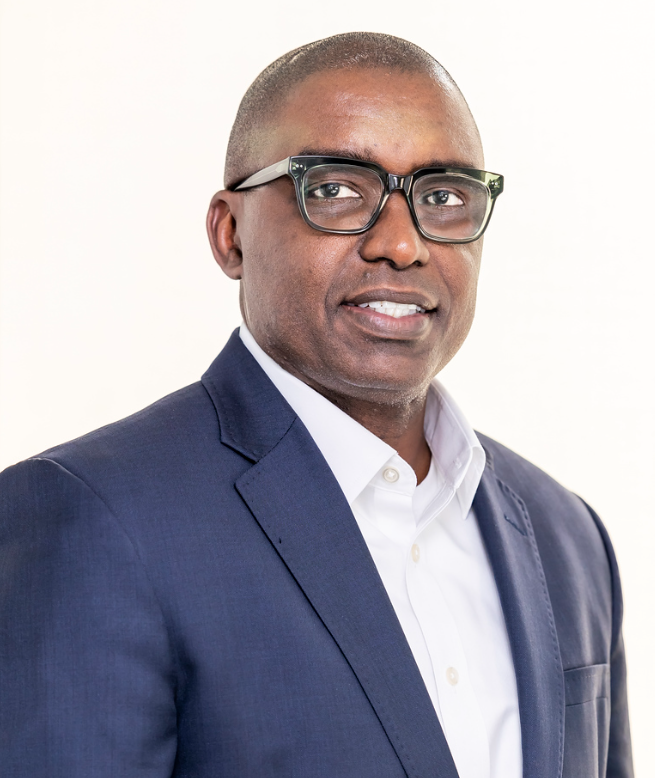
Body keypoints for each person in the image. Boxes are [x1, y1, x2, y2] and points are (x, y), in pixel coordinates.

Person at [0, 32, 632, 778]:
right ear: (230, 234)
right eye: (335, 188)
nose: (401, 244)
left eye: (442, 197)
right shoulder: (89, 518)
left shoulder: (568, 536)